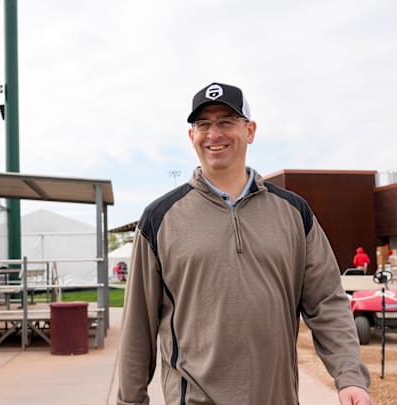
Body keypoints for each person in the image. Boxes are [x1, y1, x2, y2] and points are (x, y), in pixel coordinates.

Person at [117, 82, 372, 405]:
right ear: (191, 136)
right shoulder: (159, 219)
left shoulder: (294, 213)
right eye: (203, 124)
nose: (214, 134)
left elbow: (326, 301)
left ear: (250, 131)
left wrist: (349, 376)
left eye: (226, 121)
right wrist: (129, 400)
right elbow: (138, 325)